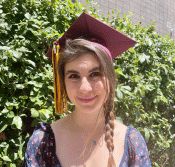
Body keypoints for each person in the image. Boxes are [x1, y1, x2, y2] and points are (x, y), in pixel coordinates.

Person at [22, 12, 151, 167]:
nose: (84, 88)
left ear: (110, 79)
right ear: (63, 82)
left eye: (95, 74)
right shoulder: (42, 143)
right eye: (74, 76)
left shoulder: (132, 143)